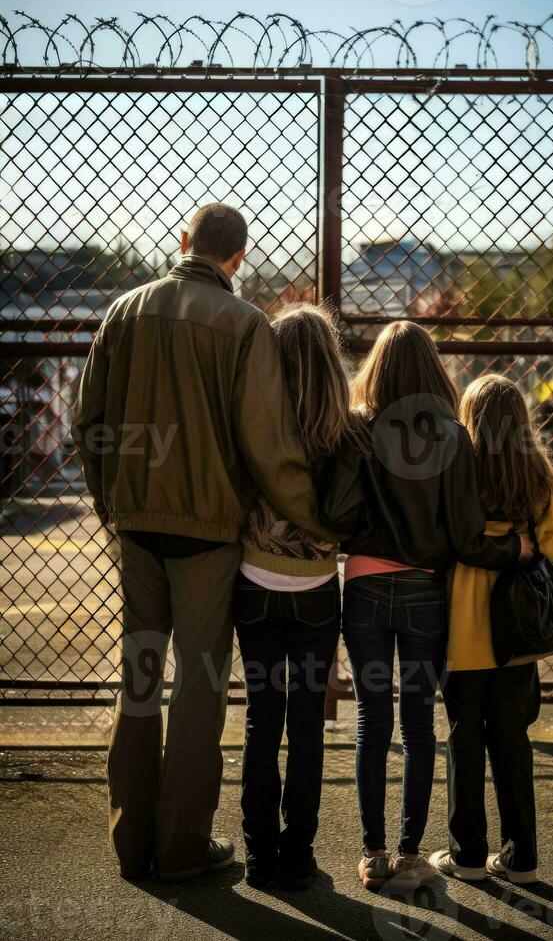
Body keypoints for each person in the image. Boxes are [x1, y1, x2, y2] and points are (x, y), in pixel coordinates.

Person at [71, 203, 329, 883]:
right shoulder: (246, 325)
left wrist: (113, 504)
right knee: (200, 687)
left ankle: (130, 843)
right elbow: (268, 448)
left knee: (139, 678)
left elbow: (87, 420)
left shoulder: (123, 312)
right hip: (208, 535)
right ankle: (182, 844)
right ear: (238, 259)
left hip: (137, 525)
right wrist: (320, 519)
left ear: (183, 241)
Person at [319, 322, 534, 891]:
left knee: (371, 721)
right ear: (431, 368)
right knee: (418, 725)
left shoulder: (357, 431)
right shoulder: (451, 435)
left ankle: (373, 852)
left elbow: (336, 515)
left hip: (364, 588)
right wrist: (513, 547)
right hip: (424, 595)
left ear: (378, 369)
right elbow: (467, 538)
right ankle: (412, 853)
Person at [233, 304, 365, 890]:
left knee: (263, 720)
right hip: (315, 588)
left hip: (255, 582)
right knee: (307, 723)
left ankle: (258, 854)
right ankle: (298, 854)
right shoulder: (345, 420)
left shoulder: (257, 413)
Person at [430, 374, 553, 885]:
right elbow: (551, 546)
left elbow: (444, 540)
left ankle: (466, 856)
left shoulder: (457, 471)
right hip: (518, 640)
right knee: (512, 738)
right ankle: (521, 857)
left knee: (465, 736)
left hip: (464, 634)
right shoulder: (538, 478)